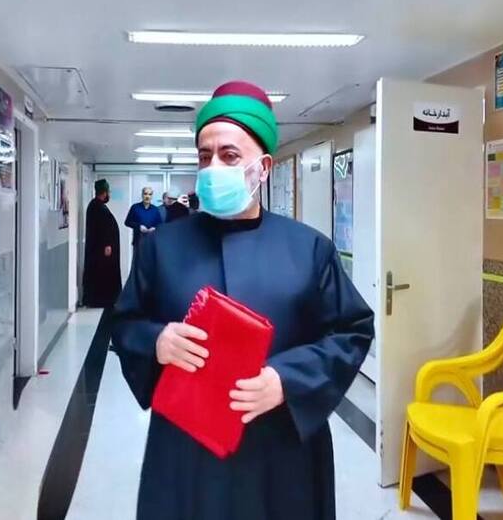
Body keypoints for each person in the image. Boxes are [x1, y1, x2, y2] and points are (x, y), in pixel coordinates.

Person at [112, 81, 374, 520]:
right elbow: (124, 323)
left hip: (281, 449)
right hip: (186, 451)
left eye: (229, 156)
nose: (213, 167)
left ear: (263, 167)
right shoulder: (162, 247)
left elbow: (352, 331)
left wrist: (287, 380)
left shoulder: (308, 249)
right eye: (205, 156)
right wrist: (156, 341)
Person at [82, 178, 121, 309]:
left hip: (102, 249)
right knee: (102, 273)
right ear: (104, 192)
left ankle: (106, 298)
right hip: (101, 251)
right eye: (108, 192)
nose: (109, 194)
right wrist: (107, 244)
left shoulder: (97, 206)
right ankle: (101, 299)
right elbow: (101, 229)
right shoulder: (96, 207)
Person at [125, 186, 162, 251]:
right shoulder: (135, 207)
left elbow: (160, 225)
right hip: (138, 241)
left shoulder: (155, 209)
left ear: (152, 196)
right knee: (138, 257)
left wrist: (155, 228)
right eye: (145, 194)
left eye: (150, 194)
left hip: (151, 241)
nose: (147, 196)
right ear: (142, 195)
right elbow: (127, 222)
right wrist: (139, 226)